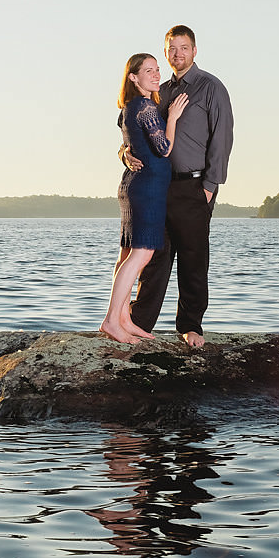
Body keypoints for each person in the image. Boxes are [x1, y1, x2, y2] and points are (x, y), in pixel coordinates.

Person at [121, 25, 234, 347]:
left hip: (194, 187)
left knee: (193, 258)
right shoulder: (158, 89)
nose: (177, 54)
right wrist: (123, 153)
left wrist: (210, 185)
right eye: (172, 49)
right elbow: (139, 132)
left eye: (184, 48)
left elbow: (222, 138)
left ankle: (191, 326)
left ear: (194, 50)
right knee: (154, 258)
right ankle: (138, 322)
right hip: (157, 188)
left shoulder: (211, 88)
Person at [100, 53, 188, 345]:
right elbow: (163, 148)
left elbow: (129, 141)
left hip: (133, 185)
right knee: (143, 253)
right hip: (147, 187)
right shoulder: (146, 106)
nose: (155, 74)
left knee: (127, 253)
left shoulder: (129, 106)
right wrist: (172, 118)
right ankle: (113, 320)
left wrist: (125, 153)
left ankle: (124, 318)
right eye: (147, 70)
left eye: (156, 69)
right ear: (133, 77)